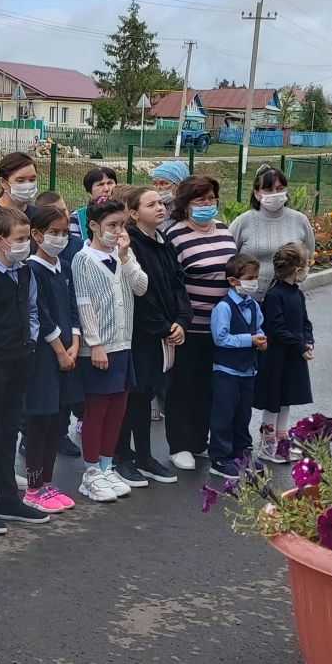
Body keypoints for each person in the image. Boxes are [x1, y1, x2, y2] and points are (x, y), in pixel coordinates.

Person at [0, 205, 53, 532]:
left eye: (27, 238)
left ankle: (8, 498)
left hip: (21, 359)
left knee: (10, 429)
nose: (25, 245)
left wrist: (30, 341)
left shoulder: (25, 271)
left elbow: (32, 309)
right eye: (19, 239)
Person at [113, 185, 187, 487]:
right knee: (131, 397)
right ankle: (122, 457)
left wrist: (181, 320)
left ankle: (144, 457)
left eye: (161, 203)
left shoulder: (164, 241)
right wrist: (163, 327)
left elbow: (177, 283)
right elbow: (140, 295)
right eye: (151, 204)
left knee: (144, 396)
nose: (160, 207)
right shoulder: (131, 245)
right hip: (140, 334)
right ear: (133, 213)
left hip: (163, 332)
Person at [72, 197, 145, 502]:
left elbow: (141, 286)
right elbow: (84, 303)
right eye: (111, 225)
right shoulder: (83, 259)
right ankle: (91, 473)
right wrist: (96, 344)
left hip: (123, 344)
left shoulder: (123, 254)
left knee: (117, 410)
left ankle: (106, 465)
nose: (118, 231)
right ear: (93, 226)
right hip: (99, 349)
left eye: (121, 225)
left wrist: (126, 257)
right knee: (97, 411)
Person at [163, 174, 237, 473]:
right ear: (186, 203)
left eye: (211, 199)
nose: (207, 204)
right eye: (200, 199)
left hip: (221, 328)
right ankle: (179, 445)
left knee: (209, 387)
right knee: (183, 386)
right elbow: (172, 282)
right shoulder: (175, 235)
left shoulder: (223, 230)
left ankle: (198, 439)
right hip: (189, 326)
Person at [21, 203, 82, 513]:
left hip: (66, 356)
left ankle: (47, 482)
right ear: (36, 234)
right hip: (45, 359)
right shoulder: (32, 269)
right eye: (53, 233)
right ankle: (33, 487)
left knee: (56, 423)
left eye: (64, 232)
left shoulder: (64, 266)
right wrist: (60, 349)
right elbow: (41, 315)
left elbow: (73, 307)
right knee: (39, 424)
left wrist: (75, 343)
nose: (60, 238)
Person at [254, 243, 315, 463]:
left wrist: (309, 340)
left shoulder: (297, 294)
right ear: (297, 269)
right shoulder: (274, 295)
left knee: (285, 398)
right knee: (273, 400)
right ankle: (267, 443)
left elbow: (305, 321)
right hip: (276, 357)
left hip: (292, 355)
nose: (307, 269)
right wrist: (300, 346)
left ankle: (282, 441)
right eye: (306, 265)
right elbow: (277, 329)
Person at [208, 254, 268, 476]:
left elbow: (258, 327)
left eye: (256, 277)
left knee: (243, 415)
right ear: (233, 281)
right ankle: (219, 458)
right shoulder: (223, 308)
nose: (254, 282)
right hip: (227, 371)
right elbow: (220, 338)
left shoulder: (253, 305)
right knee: (224, 415)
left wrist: (261, 339)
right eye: (250, 278)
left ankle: (241, 453)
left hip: (248, 370)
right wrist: (249, 340)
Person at [229, 165, 315, 301]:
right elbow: (230, 259)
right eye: (268, 190)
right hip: (250, 301)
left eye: (280, 189)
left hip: (287, 300)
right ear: (257, 193)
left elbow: (308, 256)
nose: (275, 193)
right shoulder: (242, 222)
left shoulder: (300, 220)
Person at [70, 166, 118, 244]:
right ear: (89, 192)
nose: (107, 189)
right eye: (100, 184)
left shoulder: (125, 214)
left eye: (110, 183)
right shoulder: (76, 217)